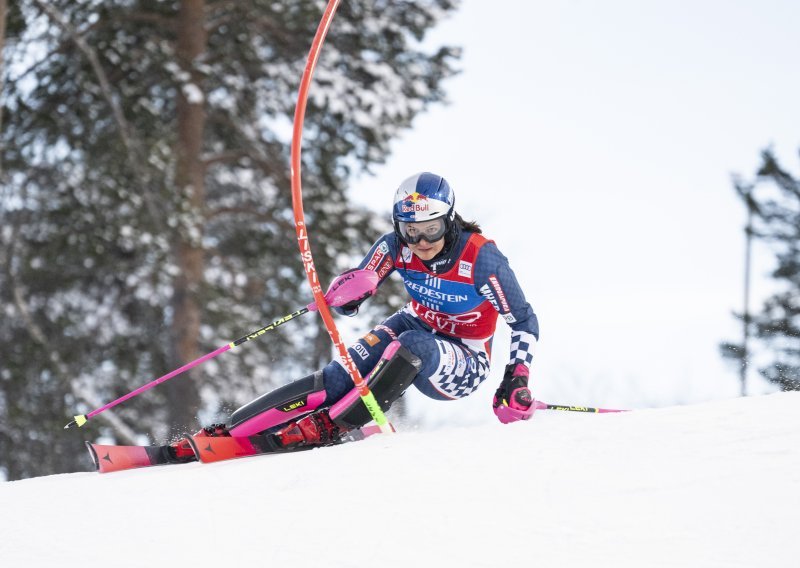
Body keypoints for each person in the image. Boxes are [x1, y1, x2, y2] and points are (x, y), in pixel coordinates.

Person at [168, 172, 539, 461]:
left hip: (464, 357)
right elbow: (360, 282)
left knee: (413, 345)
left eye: (432, 229)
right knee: (338, 376)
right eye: (411, 232)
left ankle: (332, 425)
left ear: (450, 220)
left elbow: (523, 320)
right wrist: (348, 294)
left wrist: (516, 377)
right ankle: (229, 432)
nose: (422, 242)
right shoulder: (395, 246)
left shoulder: (482, 259)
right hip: (414, 321)